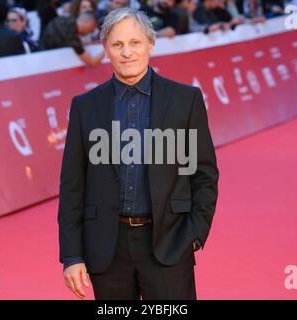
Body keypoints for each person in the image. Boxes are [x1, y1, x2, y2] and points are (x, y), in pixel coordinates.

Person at [58, 7, 219, 300]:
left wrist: (195, 234)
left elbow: (203, 173)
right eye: (117, 44)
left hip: (169, 242)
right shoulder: (85, 106)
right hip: (107, 248)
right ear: (105, 49)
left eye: (135, 43)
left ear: (150, 44)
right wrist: (71, 255)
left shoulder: (186, 100)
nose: (127, 52)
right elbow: (72, 185)